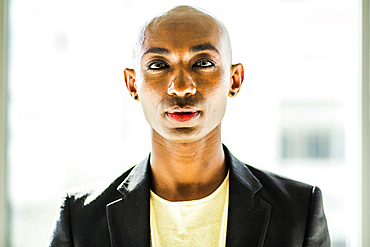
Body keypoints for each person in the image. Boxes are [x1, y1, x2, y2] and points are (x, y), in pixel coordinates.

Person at [48, 5, 330, 247]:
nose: (181, 87)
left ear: (234, 80)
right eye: (158, 65)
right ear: (133, 84)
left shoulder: (297, 210)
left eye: (203, 63)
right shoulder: (80, 216)